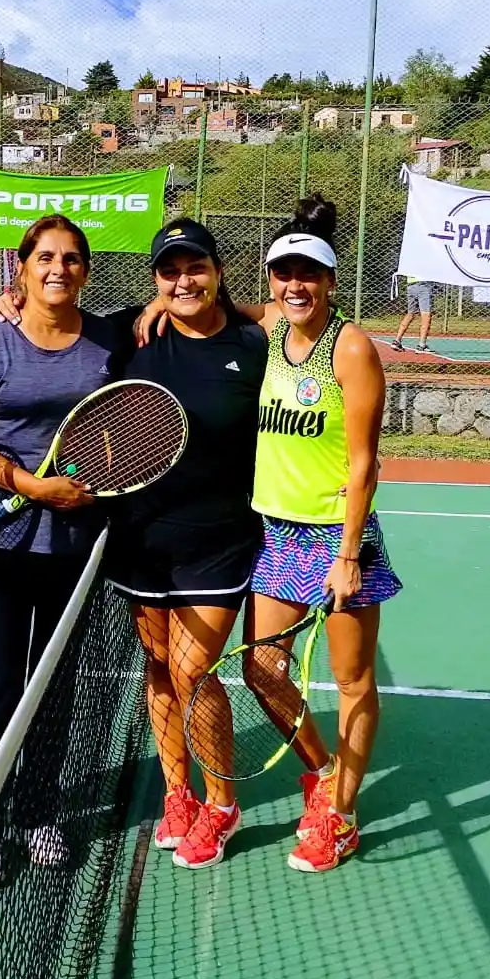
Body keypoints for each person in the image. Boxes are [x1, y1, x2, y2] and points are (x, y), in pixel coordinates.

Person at [0, 217, 268, 871]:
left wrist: (233, 307)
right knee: (160, 667)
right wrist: (13, 298)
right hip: (139, 539)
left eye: (195, 268)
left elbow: (292, 308)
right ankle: (177, 793)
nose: (183, 280)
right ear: (154, 280)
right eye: (169, 271)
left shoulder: (252, 344)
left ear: (218, 271)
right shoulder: (126, 334)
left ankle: (221, 801)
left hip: (218, 541)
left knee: (195, 670)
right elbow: (56, 315)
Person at [138, 194, 401, 873]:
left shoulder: (351, 347)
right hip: (278, 537)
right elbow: (232, 313)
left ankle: (339, 815)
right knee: (262, 669)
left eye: (309, 274)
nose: (295, 284)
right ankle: (320, 776)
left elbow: (365, 461)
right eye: (284, 273)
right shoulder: (272, 333)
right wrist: (160, 307)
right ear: (271, 283)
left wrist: (347, 555)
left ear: (332, 282)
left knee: (352, 683)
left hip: (337, 537)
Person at [0, 215, 120, 886]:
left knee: (56, 688)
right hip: (0, 536)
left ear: (86, 270)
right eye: (44, 257)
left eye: (72, 258)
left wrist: (89, 486)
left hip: (74, 543)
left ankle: (39, 810)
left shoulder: (107, 340)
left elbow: (122, 420)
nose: (58, 268)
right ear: (20, 269)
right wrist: (25, 484)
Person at [392, 275, 433, 353]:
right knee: (426, 315)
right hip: (423, 285)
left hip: (411, 286)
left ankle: (397, 340)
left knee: (411, 313)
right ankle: (422, 345)